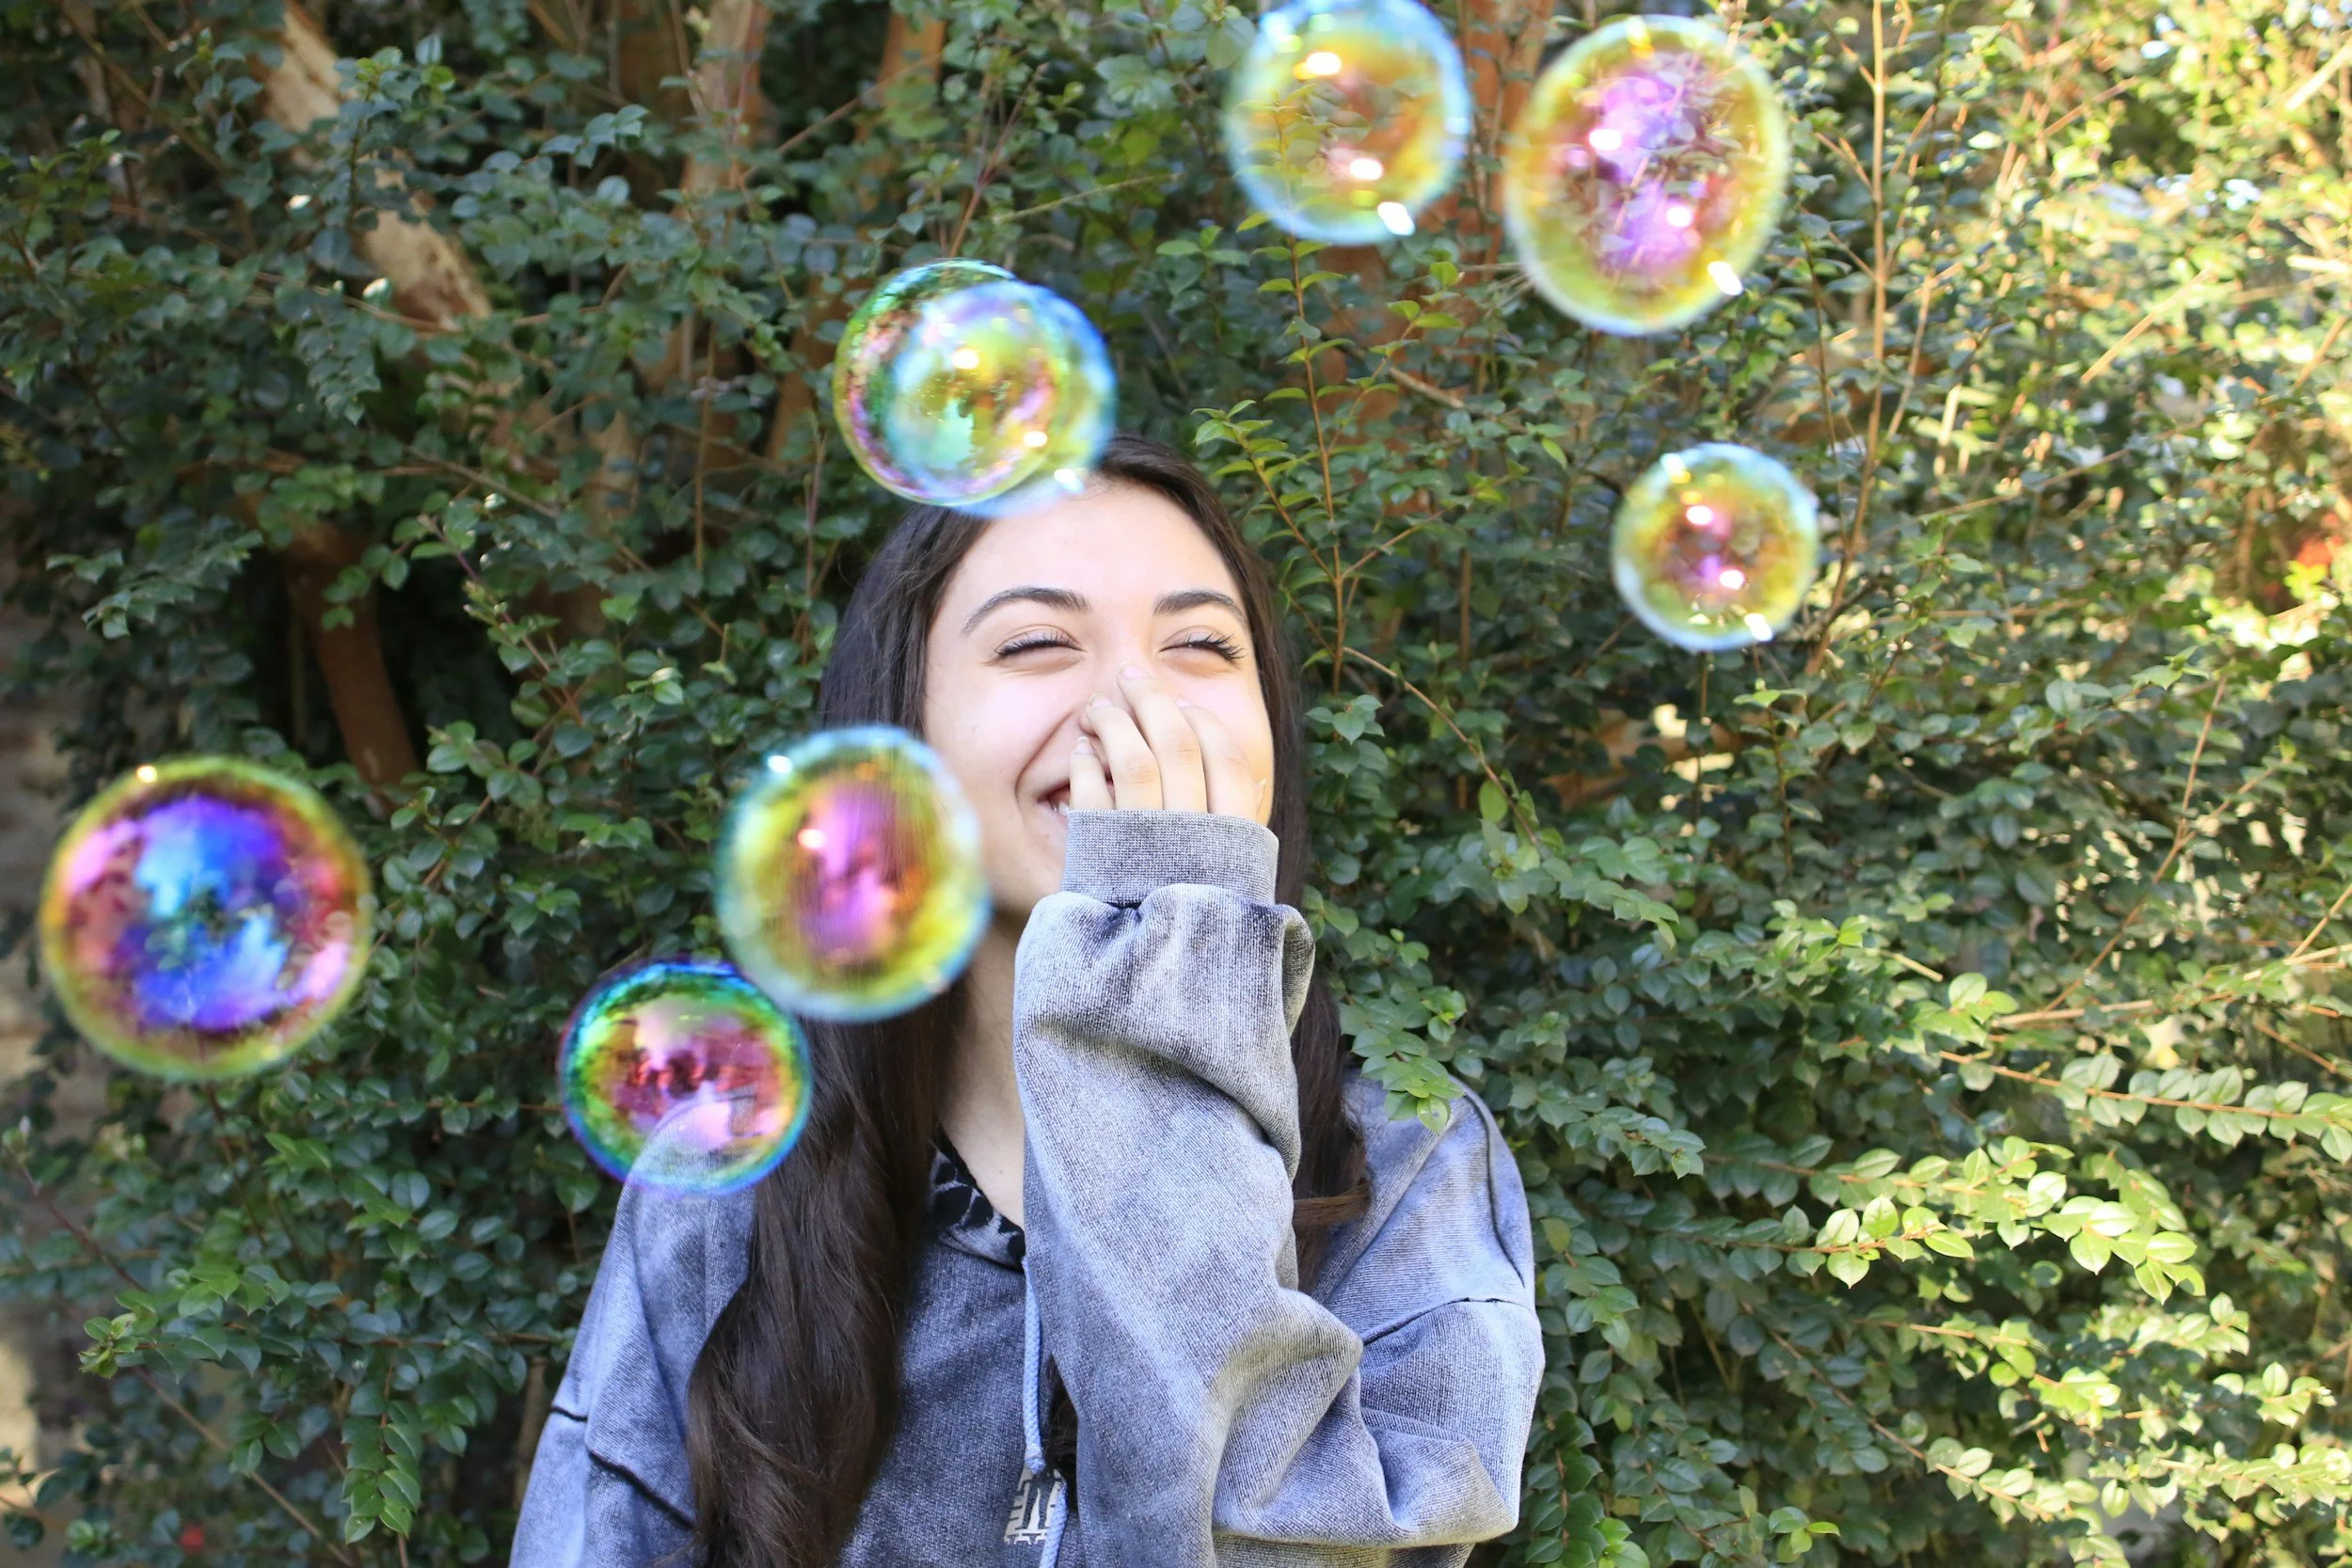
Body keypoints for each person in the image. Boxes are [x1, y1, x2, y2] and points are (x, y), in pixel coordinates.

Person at [511, 434, 1544, 1568]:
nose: (1132, 700)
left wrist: (1159, 975)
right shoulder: (734, 1166)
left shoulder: (1407, 1167)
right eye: (1040, 640)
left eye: (1201, 643)